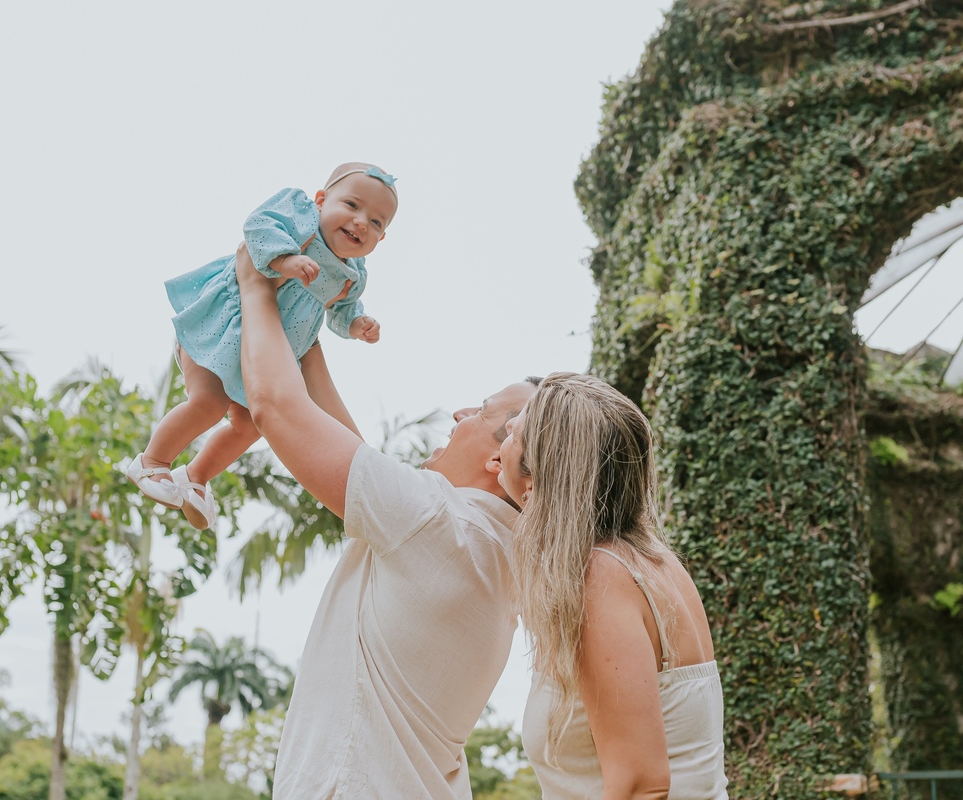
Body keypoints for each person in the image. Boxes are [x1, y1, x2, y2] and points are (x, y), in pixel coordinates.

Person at [232, 242, 539, 799]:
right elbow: (348, 449)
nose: (460, 414)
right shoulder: (493, 549)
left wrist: (254, 283)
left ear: (502, 459)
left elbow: (274, 407)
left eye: (482, 409)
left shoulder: (435, 522)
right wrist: (306, 333)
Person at [125, 162, 397, 530]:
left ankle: (196, 477)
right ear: (320, 200)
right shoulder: (300, 219)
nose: (362, 222)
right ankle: (153, 461)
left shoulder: (352, 276)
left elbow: (339, 312)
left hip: (261, 361)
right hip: (223, 329)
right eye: (352, 205)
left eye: (377, 222)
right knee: (208, 402)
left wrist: (356, 324)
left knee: (252, 426)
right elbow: (258, 226)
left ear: (381, 238)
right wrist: (286, 259)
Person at [497, 372, 728, 799]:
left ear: (534, 485)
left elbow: (642, 785)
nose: (507, 429)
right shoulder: (656, 563)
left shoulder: (598, 578)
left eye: (516, 433)